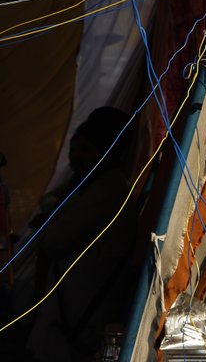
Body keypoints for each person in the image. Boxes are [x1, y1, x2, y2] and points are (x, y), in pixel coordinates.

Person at [25, 107, 140, 362]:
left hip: (76, 320)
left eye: (86, 150)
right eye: (75, 150)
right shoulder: (92, 187)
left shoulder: (108, 191)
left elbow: (53, 240)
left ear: (106, 152)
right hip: (72, 316)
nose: (76, 158)